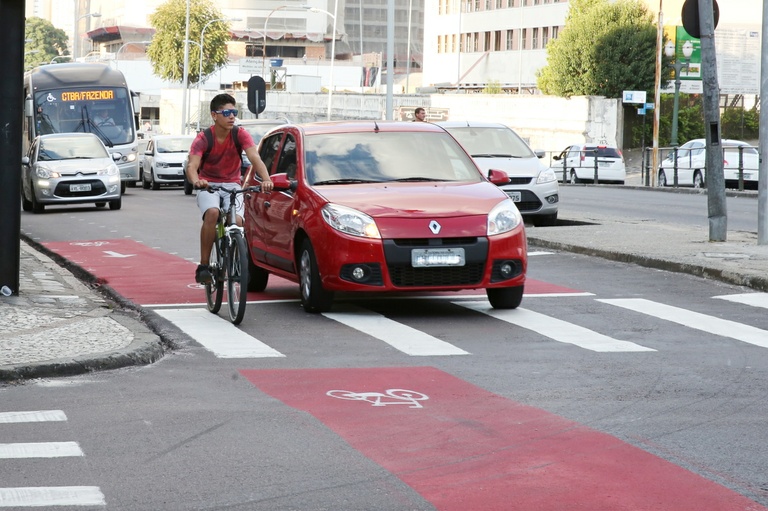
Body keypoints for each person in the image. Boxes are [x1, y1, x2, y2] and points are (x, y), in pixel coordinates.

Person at [185, 93, 273, 284]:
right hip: (208, 185)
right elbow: (192, 166)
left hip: (233, 185)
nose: (232, 116)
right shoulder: (203, 138)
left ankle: (234, 255)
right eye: (227, 112)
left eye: (234, 112)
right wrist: (197, 181)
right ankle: (204, 266)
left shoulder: (240, 134)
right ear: (214, 115)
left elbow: (255, 158)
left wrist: (266, 180)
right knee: (212, 213)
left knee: (239, 222)